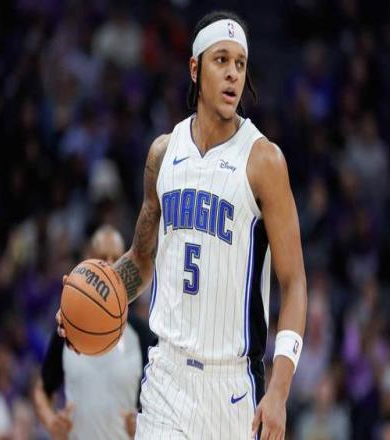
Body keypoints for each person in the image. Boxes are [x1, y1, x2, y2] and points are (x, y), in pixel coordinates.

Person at [58, 10, 307, 440]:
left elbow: (295, 281)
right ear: (195, 68)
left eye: (240, 63)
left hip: (232, 388)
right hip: (167, 380)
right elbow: (141, 260)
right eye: (221, 60)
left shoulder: (264, 161)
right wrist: (91, 299)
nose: (233, 74)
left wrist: (280, 390)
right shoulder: (163, 153)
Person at [37, 225, 153, 439]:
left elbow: (160, 403)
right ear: (88, 260)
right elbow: (42, 388)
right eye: (102, 257)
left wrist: (146, 424)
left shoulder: (142, 335)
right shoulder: (67, 330)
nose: (111, 265)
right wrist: (51, 421)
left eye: (117, 258)